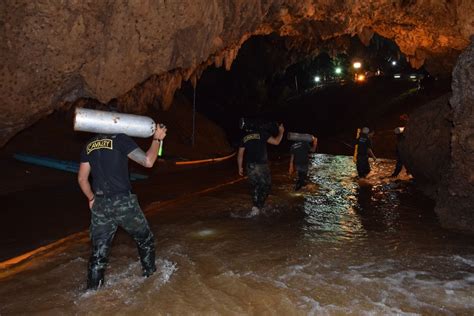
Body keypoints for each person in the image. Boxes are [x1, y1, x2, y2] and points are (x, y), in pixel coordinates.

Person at [77, 115, 167, 290]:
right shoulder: (120, 139)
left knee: (99, 253)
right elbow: (148, 161)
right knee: (145, 239)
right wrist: (157, 139)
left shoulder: (89, 145)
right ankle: (151, 281)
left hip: (100, 205)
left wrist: (91, 198)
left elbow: (82, 178)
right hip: (123, 202)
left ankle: (92, 293)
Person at [237, 123, 285, 215]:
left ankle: (255, 207)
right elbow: (276, 142)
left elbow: (240, 154)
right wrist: (281, 132)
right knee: (266, 186)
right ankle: (258, 206)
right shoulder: (262, 134)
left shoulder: (245, 137)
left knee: (255, 186)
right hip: (261, 165)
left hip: (250, 166)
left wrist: (240, 167)